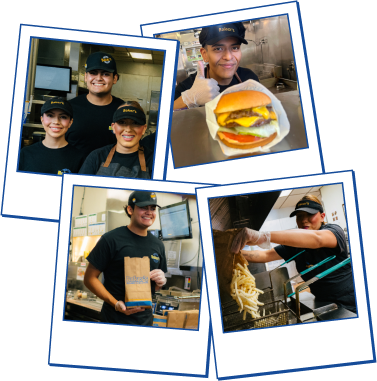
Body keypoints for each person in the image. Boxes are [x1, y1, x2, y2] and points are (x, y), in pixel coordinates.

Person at [230, 195, 356, 313]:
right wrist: (231, 253)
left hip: (351, 302)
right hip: (323, 303)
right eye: (299, 216)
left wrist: (263, 236)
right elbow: (266, 255)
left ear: (322, 216)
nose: (304, 220)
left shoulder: (334, 231)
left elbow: (317, 239)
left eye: (309, 214)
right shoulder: (296, 245)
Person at [84, 191, 167, 325]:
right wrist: (115, 303)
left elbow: (154, 287)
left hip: (144, 322)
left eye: (152, 208)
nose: (149, 212)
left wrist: (160, 282)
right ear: (130, 209)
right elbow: (89, 278)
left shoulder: (158, 245)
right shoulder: (110, 239)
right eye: (143, 208)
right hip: (114, 319)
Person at [174, 22, 259, 110]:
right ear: (204, 54)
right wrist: (189, 99)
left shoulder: (250, 79)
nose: (228, 57)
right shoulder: (186, 88)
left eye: (235, 48)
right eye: (218, 49)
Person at [66, 51, 124, 157]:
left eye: (105, 74)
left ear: (115, 78)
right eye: (93, 73)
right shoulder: (69, 108)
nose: (98, 78)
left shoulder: (123, 110)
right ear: (85, 77)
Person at [78, 101, 153, 178]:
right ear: (113, 127)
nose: (128, 129)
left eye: (135, 123)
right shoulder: (96, 157)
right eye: (122, 122)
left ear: (144, 129)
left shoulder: (154, 161)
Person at [18, 97, 86, 174]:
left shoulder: (80, 158)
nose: (56, 122)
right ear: (42, 120)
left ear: (70, 122)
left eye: (63, 117)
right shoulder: (25, 154)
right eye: (50, 115)